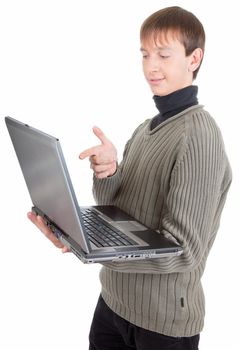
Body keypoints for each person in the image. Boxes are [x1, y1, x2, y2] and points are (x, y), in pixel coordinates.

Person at [28, 6, 232, 350]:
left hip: (162, 325)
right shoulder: (145, 129)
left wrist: (93, 250)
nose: (151, 66)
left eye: (164, 55)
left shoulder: (199, 135)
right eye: (145, 54)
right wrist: (109, 173)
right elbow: (119, 213)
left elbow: (183, 251)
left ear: (193, 58)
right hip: (113, 304)